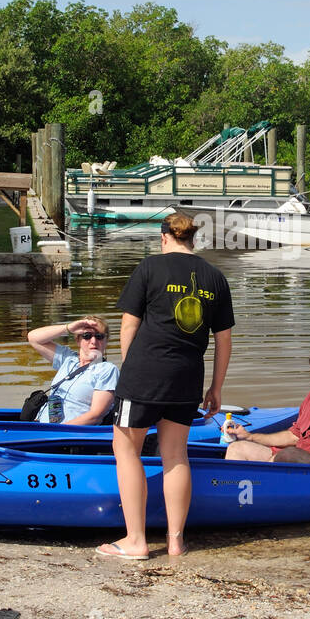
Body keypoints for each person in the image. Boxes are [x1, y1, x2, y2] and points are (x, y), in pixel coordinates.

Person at [98, 212, 233, 559]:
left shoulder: (148, 268)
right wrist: (216, 388)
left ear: (163, 239)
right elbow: (224, 341)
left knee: (126, 450)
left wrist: (128, 371)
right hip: (188, 376)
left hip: (145, 371)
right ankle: (175, 542)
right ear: (193, 240)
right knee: (175, 455)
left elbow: (129, 325)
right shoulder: (215, 277)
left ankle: (136, 541)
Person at [25, 316, 118, 424]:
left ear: (106, 341)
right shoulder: (68, 359)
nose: (93, 341)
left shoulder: (107, 370)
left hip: (67, 434)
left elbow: (95, 416)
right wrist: (68, 328)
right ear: (78, 340)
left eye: (99, 336)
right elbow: (33, 338)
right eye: (87, 336)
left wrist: (57, 430)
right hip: (41, 426)